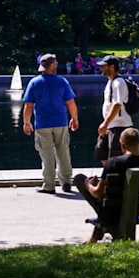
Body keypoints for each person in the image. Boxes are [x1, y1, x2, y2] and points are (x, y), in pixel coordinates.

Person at [73, 127, 139, 243]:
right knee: (104, 205)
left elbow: (98, 193)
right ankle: (94, 238)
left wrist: (89, 184)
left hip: (110, 213)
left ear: (122, 145)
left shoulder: (113, 163)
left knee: (79, 179)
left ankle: (102, 236)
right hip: (134, 212)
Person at [22, 53, 79, 194]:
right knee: (63, 152)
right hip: (61, 122)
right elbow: (70, 102)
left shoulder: (34, 82)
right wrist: (75, 118)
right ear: (53, 66)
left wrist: (26, 122)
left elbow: (28, 105)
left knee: (46, 155)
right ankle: (66, 182)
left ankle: (49, 185)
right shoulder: (62, 81)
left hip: (43, 124)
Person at [95, 54, 133, 165]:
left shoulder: (118, 82)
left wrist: (105, 124)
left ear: (112, 67)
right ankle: (108, 177)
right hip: (110, 126)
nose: (101, 69)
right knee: (101, 150)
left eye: (104, 66)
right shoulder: (110, 82)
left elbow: (117, 105)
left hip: (119, 126)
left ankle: (116, 179)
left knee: (116, 156)